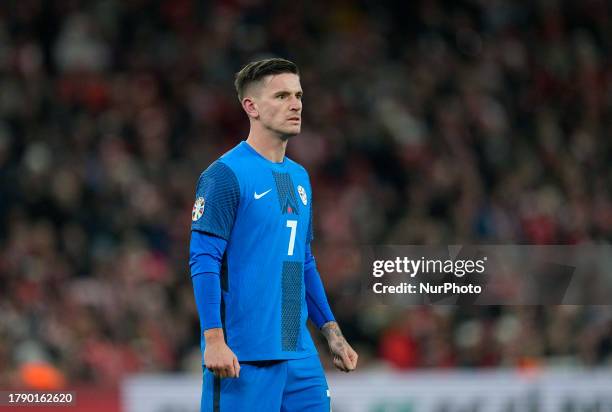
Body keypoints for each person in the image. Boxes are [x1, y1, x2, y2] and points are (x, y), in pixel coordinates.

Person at [189, 58, 358, 412]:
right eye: (281, 96)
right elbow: (204, 260)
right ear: (251, 107)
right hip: (244, 354)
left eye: (297, 95)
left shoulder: (298, 178)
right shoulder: (225, 175)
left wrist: (331, 331)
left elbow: (303, 261)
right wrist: (214, 340)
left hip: (298, 355)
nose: (295, 104)